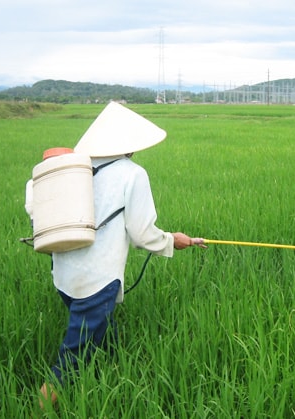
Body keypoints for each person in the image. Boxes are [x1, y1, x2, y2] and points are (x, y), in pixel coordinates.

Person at [38, 102, 206, 408]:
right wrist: (173, 241)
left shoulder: (69, 167)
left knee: (100, 327)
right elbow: (142, 233)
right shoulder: (132, 174)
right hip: (98, 278)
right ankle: (41, 408)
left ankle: (115, 365)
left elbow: (35, 206)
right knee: (72, 359)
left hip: (63, 272)